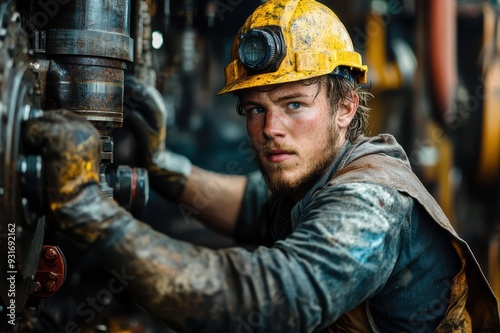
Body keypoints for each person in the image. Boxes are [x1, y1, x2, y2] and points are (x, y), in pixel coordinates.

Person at [27, 0, 499, 332]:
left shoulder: (371, 204)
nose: (271, 127)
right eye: (255, 109)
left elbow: (267, 302)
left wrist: (88, 207)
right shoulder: (321, 177)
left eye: (293, 104)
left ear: (346, 106)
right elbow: (254, 206)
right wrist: (161, 166)